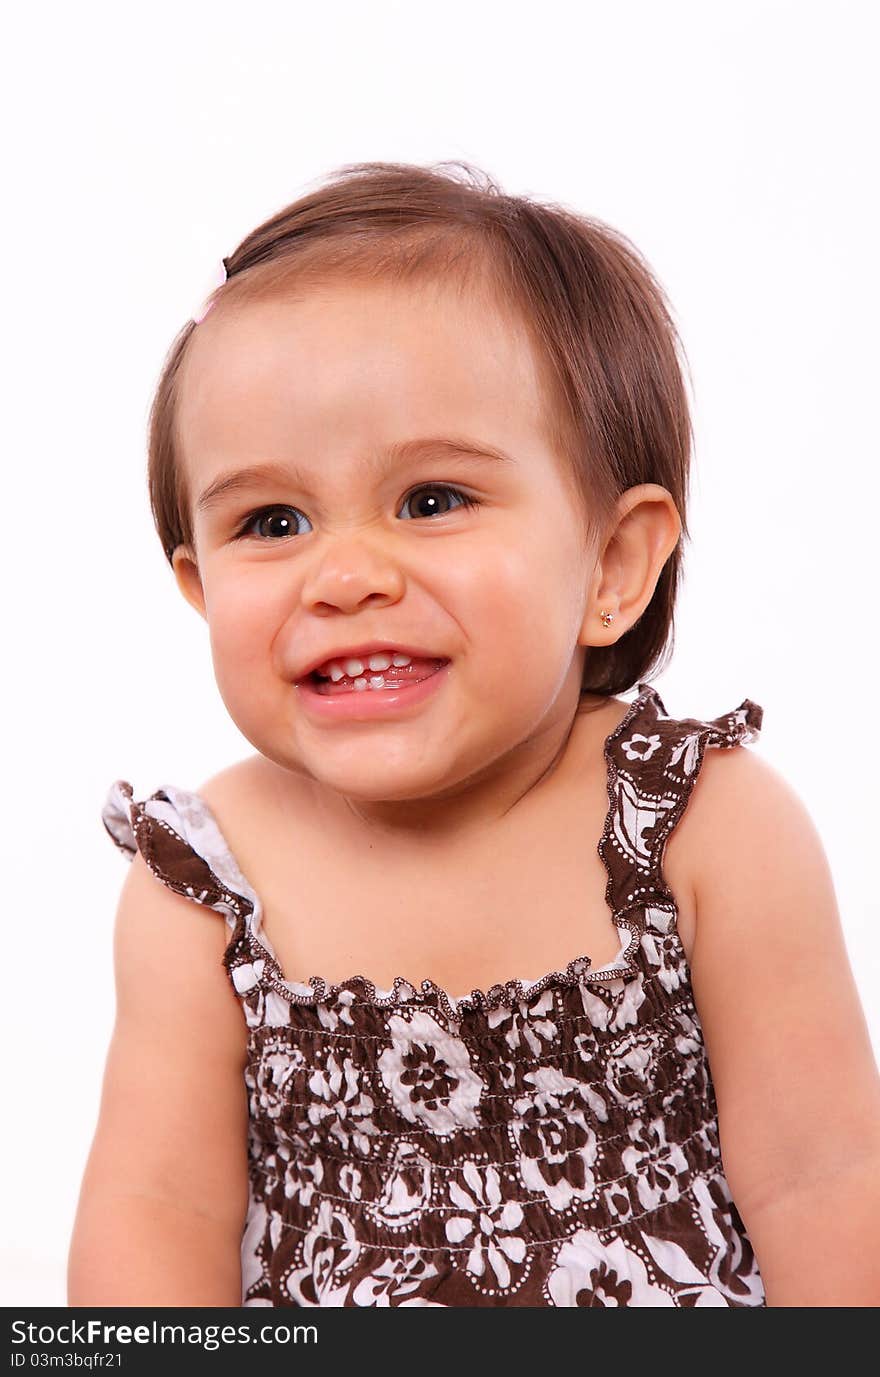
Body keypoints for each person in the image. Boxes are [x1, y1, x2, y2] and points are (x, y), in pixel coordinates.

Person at [67, 160, 880, 1308]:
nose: (344, 575)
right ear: (198, 587)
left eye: (431, 500)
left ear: (611, 565)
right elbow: (159, 1213)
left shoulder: (703, 827)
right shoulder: (206, 886)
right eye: (273, 520)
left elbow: (824, 1180)